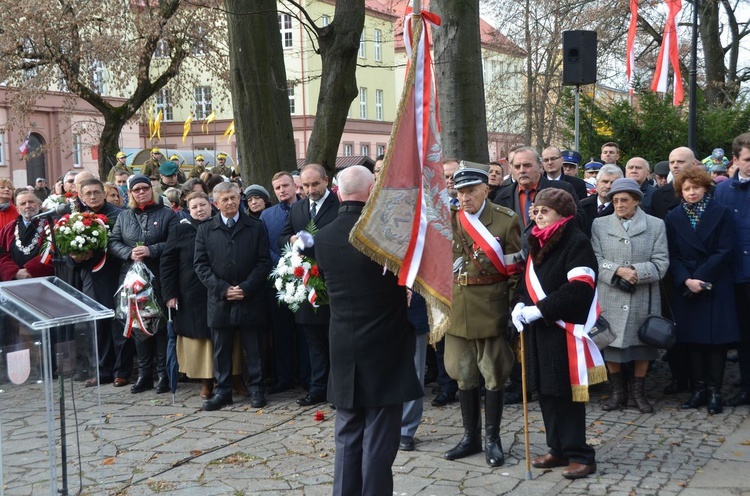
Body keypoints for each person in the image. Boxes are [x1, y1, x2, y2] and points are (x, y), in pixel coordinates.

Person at [313, 165, 423, 496]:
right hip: (384, 346)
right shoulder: (384, 235)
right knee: (379, 435)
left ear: (338, 192)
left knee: (347, 430)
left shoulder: (323, 236)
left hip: (344, 343)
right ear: (372, 191)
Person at [511, 188, 605, 479]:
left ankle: (581, 455)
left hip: (564, 329)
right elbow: (526, 283)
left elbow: (579, 289)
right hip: (540, 331)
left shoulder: (576, 242)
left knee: (566, 395)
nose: (537, 215)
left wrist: (540, 310)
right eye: (535, 211)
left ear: (563, 215)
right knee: (546, 391)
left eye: (544, 211)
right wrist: (517, 305)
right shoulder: (538, 241)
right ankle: (557, 448)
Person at [443, 161, 522, 467]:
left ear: (485, 190)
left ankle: (493, 439)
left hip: (491, 307)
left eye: (471, 191)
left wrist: (514, 308)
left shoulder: (505, 221)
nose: (464, 197)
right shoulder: (448, 220)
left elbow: (515, 270)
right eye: (460, 191)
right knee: (462, 374)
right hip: (458, 307)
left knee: (494, 374)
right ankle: (469, 437)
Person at [591, 178, 669, 413]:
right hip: (611, 294)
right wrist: (617, 271)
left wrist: (637, 272)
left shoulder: (656, 225)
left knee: (643, 345)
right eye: (615, 200)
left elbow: (662, 262)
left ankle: (638, 393)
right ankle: (618, 393)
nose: (619, 204)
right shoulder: (599, 224)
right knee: (611, 343)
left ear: (636, 201)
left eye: (625, 200)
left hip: (642, 296)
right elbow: (595, 259)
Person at [666, 165, 738, 414]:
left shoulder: (722, 213)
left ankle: (715, 392)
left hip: (715, 283)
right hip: (687, 286)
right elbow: (672, 254)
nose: (691, 192)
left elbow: (725, 250)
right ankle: (698, 391)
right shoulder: (674, 216)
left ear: (706, 188)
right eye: (686, 189)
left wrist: (701, 277)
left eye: (695, 187)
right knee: (693, 341)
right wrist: (686, 279)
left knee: (716, 342)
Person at [194, 183, 271, 410]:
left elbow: (263, 261)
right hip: (220, 299)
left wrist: (245, 287)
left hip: (250, 297)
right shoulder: (206, 229)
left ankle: (257, 389)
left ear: (240, 199)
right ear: (215, 204)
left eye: (234, 198)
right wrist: (223, 289)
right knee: (221, 349)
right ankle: (223, 391)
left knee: (254, 347)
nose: (230, 202)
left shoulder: (255, 227)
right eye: (225, 199)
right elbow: (200, 265)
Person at [109, 174, 178, 394]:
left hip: (159, 276)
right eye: (136, 190)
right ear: (129, 194)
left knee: (159, 325)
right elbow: (113, 242)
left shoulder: (167, 214)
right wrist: (129, 253)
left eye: (144, 188)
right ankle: (144, 375)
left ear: (151, 189)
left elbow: (176, 241)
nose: (141, 192)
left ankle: (163, 374)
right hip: (132, 279)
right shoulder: (124, 216)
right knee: (138, 325)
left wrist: (152, 250)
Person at [279, 164, 340, 407]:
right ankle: (318, 388)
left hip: (333, 282)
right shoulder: (298, 208)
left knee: (334, 340)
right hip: (306, 283)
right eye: (305, 186)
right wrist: (293, 238)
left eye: (315, 184)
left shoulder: (339, 205)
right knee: (313, 341)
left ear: (326, 180)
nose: (311, 190)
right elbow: (282, 236)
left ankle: (337, 391)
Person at [71, 179, 132, 388]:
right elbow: (70, 252)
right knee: (98, 324)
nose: (93, 197)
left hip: (116, 273)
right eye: (88, 194)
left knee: (118, 323)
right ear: (81, 196)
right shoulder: (77, 218)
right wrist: (76, 256)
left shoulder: (119, 214)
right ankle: (103, 369)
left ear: (104, 194)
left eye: (97, 192)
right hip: (91, 276)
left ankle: (122, 371)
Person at [161, 191, 216, 399]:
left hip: (218, 290)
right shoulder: (180, 230)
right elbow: (167, 264)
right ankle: (206, 381)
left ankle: (233, 378)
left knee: (224, 336)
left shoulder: (220, 225)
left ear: (211, 205)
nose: (199, 209)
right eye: (194, 207)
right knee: (201, 339)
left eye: (203, 205)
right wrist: (170, 294)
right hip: (190, 292)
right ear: (188, 209)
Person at [260, 172, 309, 394]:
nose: (281, 190)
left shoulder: (308, 208)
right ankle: (285, 377)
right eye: (277, 187)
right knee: (281, 332)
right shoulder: (267, 215)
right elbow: (264, 246)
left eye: (285, 185)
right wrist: (283, 265)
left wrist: (299, 264)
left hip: (307, 279)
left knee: (305, 332)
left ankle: (308, 376)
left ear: (294, 185)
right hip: (277, 281)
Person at [714, 133, 750, 407]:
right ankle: (746, 386)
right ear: (735, 160)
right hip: (734, 274)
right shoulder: (723, 191)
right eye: (748, 160)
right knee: (743, 336)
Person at [0, 189, 54, 281]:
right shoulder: (8, 229)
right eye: (23, 203)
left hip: (43, 280)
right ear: (17, 208)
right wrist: (15, 272)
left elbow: (53, 253)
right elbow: (1, 254)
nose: (28, 206)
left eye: (31, 202)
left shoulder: (50, 225)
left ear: (39, 204)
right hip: (14, 281)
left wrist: (30, 270)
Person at [580, 165, 623, 237]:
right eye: (605, 181)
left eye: (613, 183)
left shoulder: (623, 209)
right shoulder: (582, 205)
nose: (608, 186)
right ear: (597, 184)